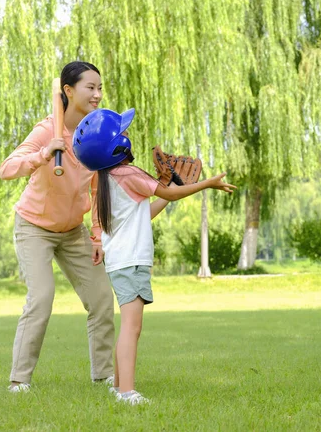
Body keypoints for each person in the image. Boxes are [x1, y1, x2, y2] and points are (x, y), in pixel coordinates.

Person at [72, 107, 236, 405]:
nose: (127, 135)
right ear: (115, 147)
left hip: (121, 262)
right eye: (122, 133)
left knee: (128, 326)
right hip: (131, 262)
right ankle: (126, 392)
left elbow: (142, 214)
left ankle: (119, 386)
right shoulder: (129, 173)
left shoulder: (108, 181)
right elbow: (169, 194)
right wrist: (207, 184)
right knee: (132, 328)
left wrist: (171, 187)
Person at [0, 61, 115, 392]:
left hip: (73, 230)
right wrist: (44, 153)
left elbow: (96, 190)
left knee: (101, 299)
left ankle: (104, 375)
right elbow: (6, 169)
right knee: (42, 297)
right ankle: (19, 381)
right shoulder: (46, 130)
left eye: (99, 87)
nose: (97, 94)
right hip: (34, 226)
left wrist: (96, 235)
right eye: (89, 87)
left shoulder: (95, 134)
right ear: (68, 91)